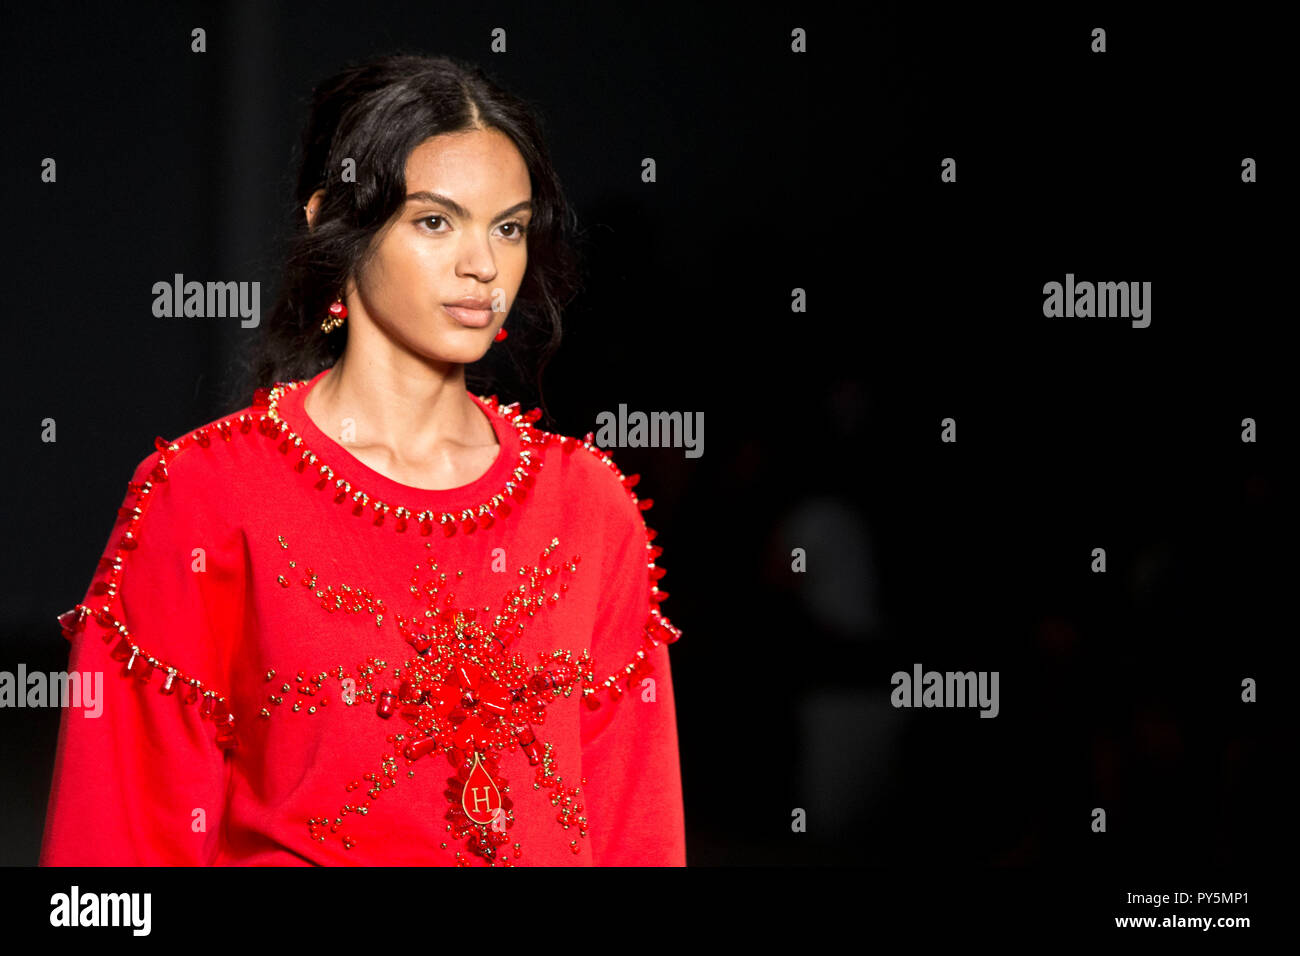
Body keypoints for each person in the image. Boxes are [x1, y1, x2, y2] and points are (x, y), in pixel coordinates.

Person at [39, 54, 685, 866]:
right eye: (435, 221)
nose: (483, 266)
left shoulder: (588, 504)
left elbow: (636, 825)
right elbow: (119, 840)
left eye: (509, 226)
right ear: (331, 222)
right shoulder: (204, 493)